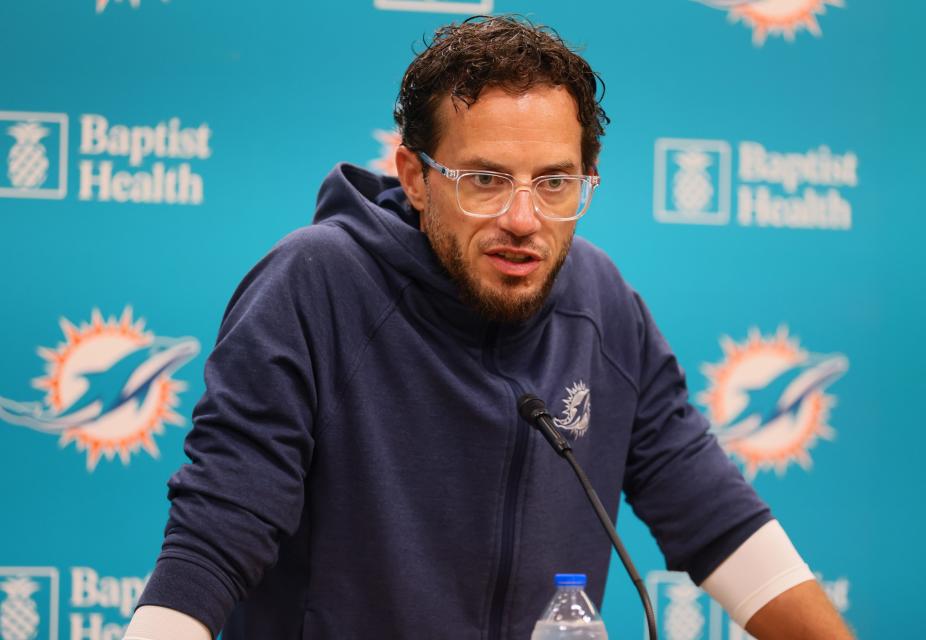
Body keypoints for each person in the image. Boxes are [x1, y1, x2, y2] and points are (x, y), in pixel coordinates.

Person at [124, 16, 852, 640]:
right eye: (486, 179)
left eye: (555, 182)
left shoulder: (600, 300)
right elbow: (218, 533)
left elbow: (717, 519)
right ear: (414, 175)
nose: (524, 220)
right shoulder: (315, 284)